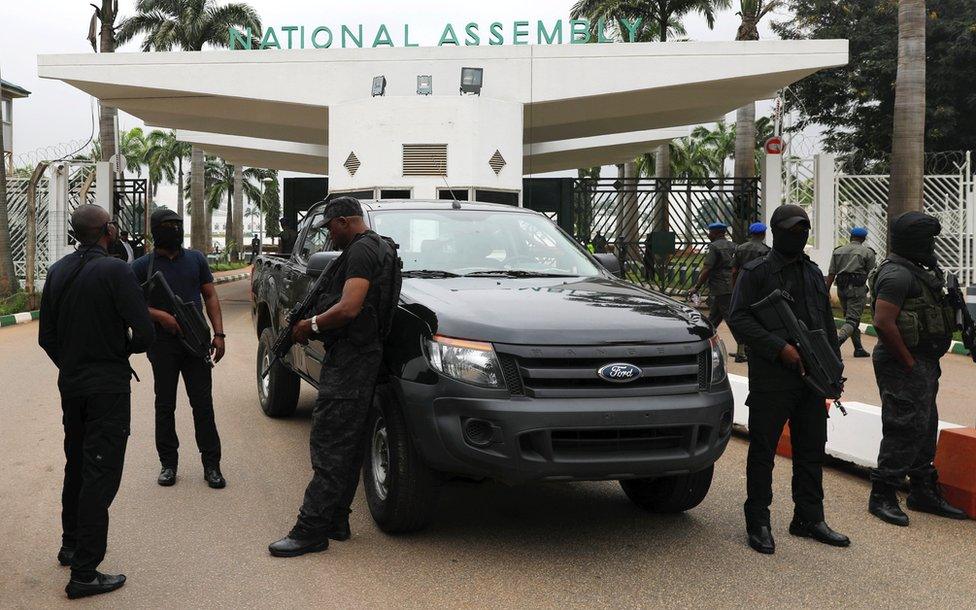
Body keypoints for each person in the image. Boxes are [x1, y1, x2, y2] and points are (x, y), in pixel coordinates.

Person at [268, 196, 401, 558]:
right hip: (362, 355)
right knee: (349, 442)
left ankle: (310, 530)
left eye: (330, 228)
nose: (330, 236)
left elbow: (349, 307)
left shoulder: (360, 252)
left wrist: (308, 325)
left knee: (329, 444)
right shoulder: (380, 247)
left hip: (352, 360)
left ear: (343, 221)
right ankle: (337, 519)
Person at [38, 205, 155, 599]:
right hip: (107, 388)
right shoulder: (116, 270)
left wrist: (73, 363)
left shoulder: (57, 271)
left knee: (78, 462)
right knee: (100, 471)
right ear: (107, 230)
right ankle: (85, 571)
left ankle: (70, 544)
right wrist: (120, 350)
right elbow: (144, 331)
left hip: (71, 386)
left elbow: (46, 338)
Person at [728, 205, 850, 555]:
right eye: (792, 229)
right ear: (775, 231)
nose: (799, 234)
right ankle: (758, 521)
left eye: (804, 229)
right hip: (773, 378)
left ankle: (809, 518)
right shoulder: (757, 272)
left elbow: (825, 323)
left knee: (811, 449)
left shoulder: (812, 273)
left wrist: (833, 370)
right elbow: (738, 319)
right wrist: (780, 347)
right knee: (764, 450)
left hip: (812, 378)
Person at [867, 211, 967, 526]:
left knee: (924, 425)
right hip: (903, 361)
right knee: (904, 425)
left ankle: (922, 490)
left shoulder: (918, 270)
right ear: (913, 241)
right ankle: (882, 493)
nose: (932, 245)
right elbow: (883, 322)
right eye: (927, 239)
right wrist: (909, 363)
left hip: (922, 361)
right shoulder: (897, 274)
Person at [131, 209, 227, 489]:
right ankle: (168, 464)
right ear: (155, 230)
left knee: (203, 406)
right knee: (165, 405)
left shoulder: (196, 259)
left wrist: (219, 334)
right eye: (167, 226)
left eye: (178, 225)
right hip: (162, 345)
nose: (174, 230)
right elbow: (131, 305)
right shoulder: (141, 266)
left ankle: (212, 465)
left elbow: (209, 295)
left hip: (196, 342)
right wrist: (162, 317)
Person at [825, 227, 875, 358]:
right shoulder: (867, 252)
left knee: (851, 318)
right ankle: (835, 343)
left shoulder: (838, 251)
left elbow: (831, 273)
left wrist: (826, 290)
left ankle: (858, 348)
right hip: (857, 290)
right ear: (863, 239)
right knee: (853, 319)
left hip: (841, 289)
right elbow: (872, 274)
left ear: (850, 237)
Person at [730, 222, 771, 362]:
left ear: (751, 233)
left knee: (742, 318)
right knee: (758, 320)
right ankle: (753, 350)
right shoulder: (766, 250)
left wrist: (735, 288)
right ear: (764, 234)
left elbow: (734, 271)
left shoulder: (740, 248)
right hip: (759, 290)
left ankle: (740, 351)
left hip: (742, 287)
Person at [690, 222, 735, 330]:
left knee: (730, 318)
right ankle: (704, 335)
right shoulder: (733, 245)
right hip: (731, 284)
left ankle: (744, 342)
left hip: (720, 287)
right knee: (714, 317)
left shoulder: (714, 247)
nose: (708, 235)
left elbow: (707, 269)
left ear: (715, 233)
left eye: (710, 232)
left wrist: (697, 287)